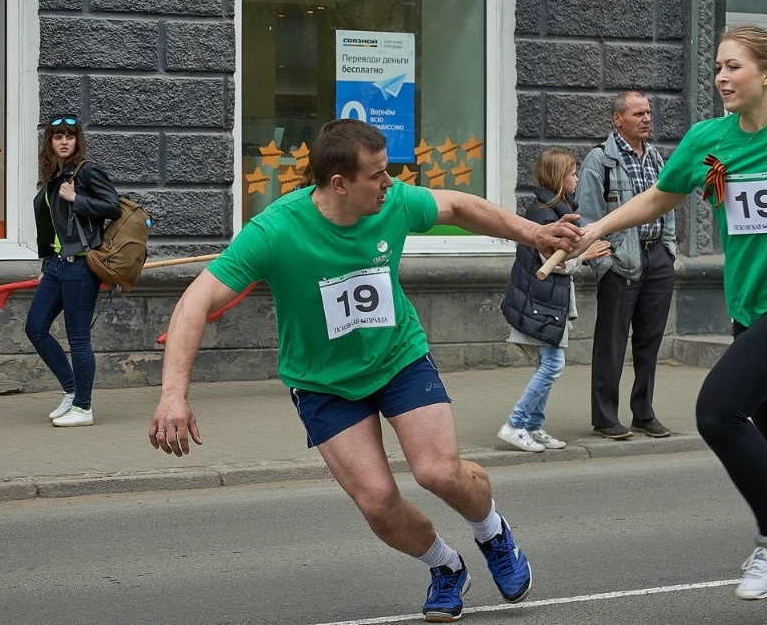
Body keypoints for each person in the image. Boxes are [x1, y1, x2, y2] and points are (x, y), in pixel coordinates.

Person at [148, 119, 584, 621]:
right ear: (340, 183)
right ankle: (445, 567)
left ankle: (493, 534)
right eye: (377, 174)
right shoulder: (274, 231)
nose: (390, 182)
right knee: (377, 500)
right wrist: (173, 394)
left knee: (438, 472)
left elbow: (460, 206)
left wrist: (534, 233)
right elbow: (194, 302)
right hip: (323, 383)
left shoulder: (393, 202)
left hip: (398, 357)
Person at [568, 25, 767, 607]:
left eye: (733, 67)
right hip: (750, 309)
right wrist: (596, 226)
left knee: (717, 412)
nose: (720, 77)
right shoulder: (709, 142)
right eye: (717, 66)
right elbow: (662, 196)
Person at [576, 91, 677, 440]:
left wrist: (669, 250)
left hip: (657, 260)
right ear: (618, 119)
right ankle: (605, 418)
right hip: (621, 264)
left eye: (649, 112)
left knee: (649, 342)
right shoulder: (600, 160)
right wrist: (604, 264)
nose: (647, 118)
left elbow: (667, 204)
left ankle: (643, 413)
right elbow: (587, 217)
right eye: (638, 113)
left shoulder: (655, 158)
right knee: (612, 342)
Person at [498, 148, 610, 452]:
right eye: (573, 173)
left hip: (547, 302)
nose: (576, 177)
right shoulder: (546, 215)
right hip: (542, 302)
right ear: (560, 177)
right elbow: (554, 266)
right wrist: (585, 255)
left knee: (546, 364)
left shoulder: (552, 211)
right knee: (552, 365)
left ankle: (533, 426)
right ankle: (515, 423)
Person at [26, 115, 120, 428]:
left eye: (70, 136)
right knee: (35, 328)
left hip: (81, 266)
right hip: (55, 266)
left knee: (78, 339)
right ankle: (70, 389)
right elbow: (53, 228)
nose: (64, 141)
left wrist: (77, 198)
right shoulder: (53, 176)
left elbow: (113, 206)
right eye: (57, 136)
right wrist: (45, 265)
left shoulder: (87, 170)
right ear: (49, 142)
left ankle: (83, 406)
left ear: (77, 140)